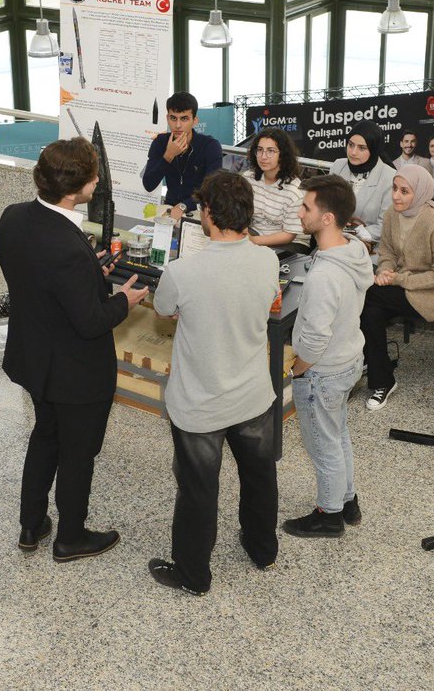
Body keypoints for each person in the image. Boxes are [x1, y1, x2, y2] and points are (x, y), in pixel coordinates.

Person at [0, 138, 149, 562]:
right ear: (73, 191)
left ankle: (31, 524)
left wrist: (90, 274)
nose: (97, 182)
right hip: (75, 372)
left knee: (44, 435)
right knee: (78, 452)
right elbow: (91, 322)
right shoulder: (66, 247)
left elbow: (38, 280)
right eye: (93, 178)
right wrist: (124, 300)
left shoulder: (13, 218)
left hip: (33, 358)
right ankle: (71, 536)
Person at [147, 171, 281, 596]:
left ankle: (192, 574)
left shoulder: (183, 271)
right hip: (254, 395)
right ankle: (262, 549)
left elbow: (163, 310)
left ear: (207, 214)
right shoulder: (267, 259)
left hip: (200, 403)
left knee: (198, 491)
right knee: (259, 478)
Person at [283, 174, 373, 538]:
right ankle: (347, 500)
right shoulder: (353, 250)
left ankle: (329, 514)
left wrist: (299, 368)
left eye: (306, 207)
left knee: (322, 444)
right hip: (349, 358)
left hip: (324, 370)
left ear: (327, 218)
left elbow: (315, 339)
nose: (300, 211)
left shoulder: (324, 276)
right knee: (338, 435)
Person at [360, 165, 434, 411]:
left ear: (420, 193)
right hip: (401, 285)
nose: (396, 196)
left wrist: (397, 279)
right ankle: (382, 379)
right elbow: (387, 252)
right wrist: (384, 270)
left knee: (368, 296)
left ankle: (368, 361)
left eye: (405, 191)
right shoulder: (393, 214)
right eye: (395, 188)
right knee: (371, 311)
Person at [141, 91, 223, 222]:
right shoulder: (160, 142)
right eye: (173, 118)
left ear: (194, 121)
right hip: (170, 208)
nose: (178, 125)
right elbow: (148, 184)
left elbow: (213, 190)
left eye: (184, 118)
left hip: (199, 211)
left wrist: (184, 206)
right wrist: (168, 155)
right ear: (167, 118)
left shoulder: (210, 146)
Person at [328, 121, 396, 245]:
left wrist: (351, 232)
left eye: (362, 148)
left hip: (370, 247)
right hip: (332, 240)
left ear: (374, 149)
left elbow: (383, 227)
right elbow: (326, 206)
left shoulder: (389, 177)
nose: (353, 152)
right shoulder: (338, 166)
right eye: (350, 144)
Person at [242, 128, 306, 248]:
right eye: (260, 150)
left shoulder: (294, 191)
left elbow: (288, 235)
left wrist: (254, 241)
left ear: (282, 155)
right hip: (255, 234)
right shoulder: (248, 178)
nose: (263, 157)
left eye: (270, 151)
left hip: (290, 244)